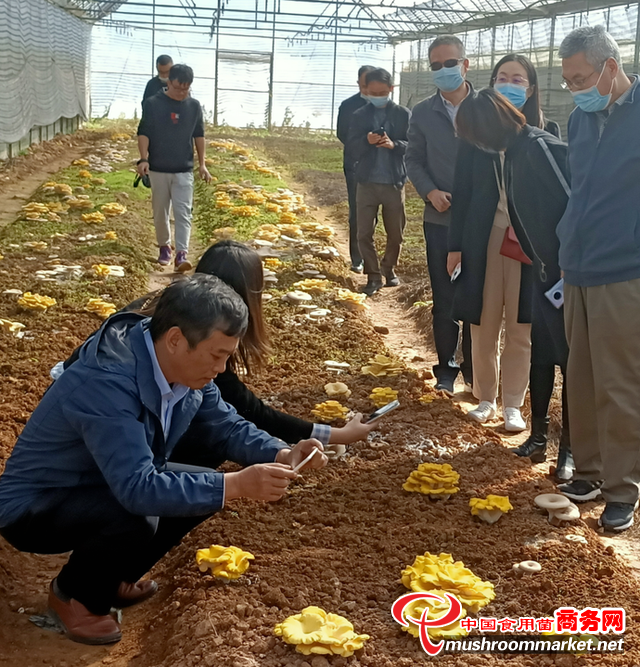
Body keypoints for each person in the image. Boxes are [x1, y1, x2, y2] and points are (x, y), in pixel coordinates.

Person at [0, 275, 327, 645]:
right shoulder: (106, 381)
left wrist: (281, 451)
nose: (221, 368)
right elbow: (137, 488)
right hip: (36, 505)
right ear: (175, 340)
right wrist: (236, 484)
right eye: (217, 355)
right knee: (140, 514)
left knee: (200, 490)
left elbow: (225, 426)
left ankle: (111, 578)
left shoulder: (183, 372)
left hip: (98, 481)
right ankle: (74, 596)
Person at [58, 241, 375, 449]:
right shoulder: (197, 338)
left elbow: (235, 411)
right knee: (210, 441)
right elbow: (251, 412)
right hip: (87, 433)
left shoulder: (169, 305)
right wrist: (337, 435)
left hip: (71, 410)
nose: (220, 366)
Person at [455, 87, 574, 481]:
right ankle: (538, 437)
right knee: (541, 350)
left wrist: (565, 263)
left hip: (563, 270)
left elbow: (572, 202)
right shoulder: (507, 153)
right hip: (541, 266)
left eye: (475, 135)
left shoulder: (539, 148)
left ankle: (570, 451)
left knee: (567, 359)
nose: (476, 144)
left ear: (490, 126)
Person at [555, 26, 640, 531]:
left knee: (619, 381)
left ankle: (623, 487)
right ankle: (586, 472)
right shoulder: (580, 121)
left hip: (623, 268)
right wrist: (568, 243)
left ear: (610, 67)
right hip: (579, 262)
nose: (574, 90)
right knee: (581, 374)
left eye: (580, 78)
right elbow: (578, 190)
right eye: (567, 82)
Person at [447, 55, 551, 432]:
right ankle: (485, 397)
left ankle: (513, 405)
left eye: (518, 79)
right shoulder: (476, 137)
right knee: (483, 320)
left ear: (531, 88)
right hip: (485, 238)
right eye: (502, 78)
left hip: (526, 245)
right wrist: (455, 246)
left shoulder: (543, 134)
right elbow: (461, 192)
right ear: (491, 85)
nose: (510, 85)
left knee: (522, 325)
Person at [406, 35, 473, 396]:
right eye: (436, 66)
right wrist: (430, 192)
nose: (443, 71)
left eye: (450, 63)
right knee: (444, 294)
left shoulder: (486, 107)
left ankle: (476, 369)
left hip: (481, 220)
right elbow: (412, 158)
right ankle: (446, 367)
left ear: (465, 64)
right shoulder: (422, 112)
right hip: (440, 218)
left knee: (479, 295)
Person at [137, 64, 212, 272]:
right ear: (168, 82)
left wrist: (202, 164)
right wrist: (143, 159)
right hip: (159, 168)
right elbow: (144, 132)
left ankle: (181, 253)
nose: (182, 92)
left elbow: (199, 135)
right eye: (178, 87)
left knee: (183, 211)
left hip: (184, 169)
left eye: (186, 88)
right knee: (160, 211)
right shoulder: (153, 104)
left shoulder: (194, 106)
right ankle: (164, 248)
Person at [348, 68, 411, 296]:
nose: (377, 96)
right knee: (364, 232)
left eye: (382, 92)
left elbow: (413, 145)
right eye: (373, 92)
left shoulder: (403, 114)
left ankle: (389, 268)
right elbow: (352, 147)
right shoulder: (359, 115)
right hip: (366, 182)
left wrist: (395, 145)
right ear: (367, 91)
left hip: (394, 182)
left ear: (391, 90)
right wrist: (366, 140)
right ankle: (373, 275)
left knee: (396, 232)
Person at [337, 65, 376, 273]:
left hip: (379, 165)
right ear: (359, 83)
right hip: (355, 164)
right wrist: (364, 143)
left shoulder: (384, 106)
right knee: (357, 210)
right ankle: (357, 258)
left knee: (374, 212)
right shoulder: (348, 106)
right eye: (364, 84)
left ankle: (370, 254)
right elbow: (342, 134)